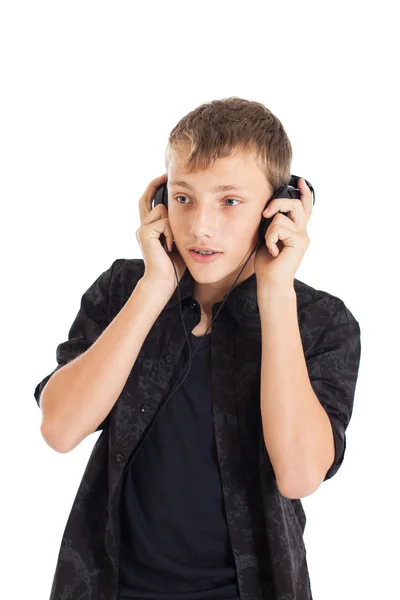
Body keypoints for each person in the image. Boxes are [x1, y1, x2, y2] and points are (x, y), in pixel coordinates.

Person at [34, 97, 361, 600]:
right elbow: (59, 429)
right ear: (160, 201)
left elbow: (298, 475)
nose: (201, 227)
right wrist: (154, 287)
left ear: (278, 208)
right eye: (184, 198)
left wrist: (275, 292)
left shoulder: (322, 322)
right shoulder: (124, 289)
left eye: (230, 201)